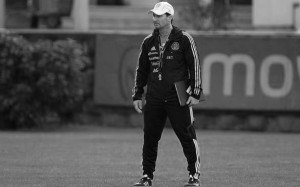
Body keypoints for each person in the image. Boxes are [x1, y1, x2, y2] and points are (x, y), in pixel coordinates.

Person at [132, 2, 202, 186]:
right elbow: (141, 70)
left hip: (177, 96)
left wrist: (195, 92)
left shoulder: (184, 39)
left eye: (159, 15)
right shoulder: (148, 42)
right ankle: (147, 177)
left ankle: (194, 176)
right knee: (150, 138)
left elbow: (194, 65)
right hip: (154, 97)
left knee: (187, 136)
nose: (155, 18)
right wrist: (138, 95)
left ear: (170, 17)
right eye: (153, 15)